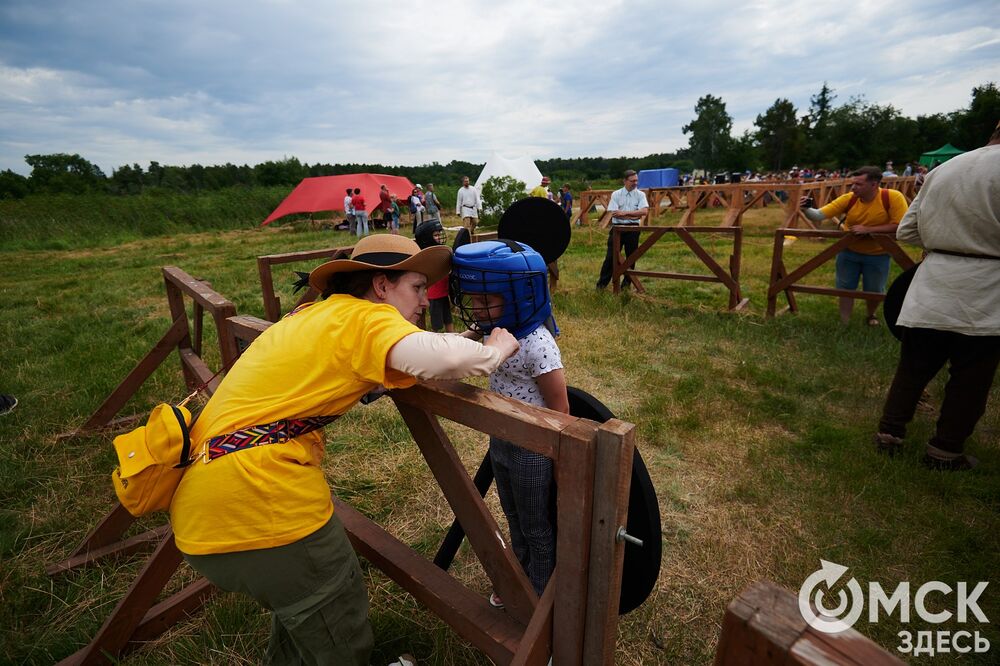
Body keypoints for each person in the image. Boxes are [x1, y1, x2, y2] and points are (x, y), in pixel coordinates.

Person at [169, 234, 520, 666]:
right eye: (415, 287)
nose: (425, 300)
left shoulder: (319, 315)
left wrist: (459, 338)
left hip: (205, 509)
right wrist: (495, 348)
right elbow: (446, 360)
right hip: (256, 507)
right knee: (335, 614)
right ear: (381, 287)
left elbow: (404, 356)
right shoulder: (365, 320)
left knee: (306, 615)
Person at [874, 121, 1000, 471]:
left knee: (913, 367)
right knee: (971, 376)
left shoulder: (946, 169)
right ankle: (945, 451)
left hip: (934, 281)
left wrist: (947, 242)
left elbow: (907, 230)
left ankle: (890, 433)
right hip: (987, 287)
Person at [451, 239, 569, 605]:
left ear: (522, 295)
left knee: (536, 524)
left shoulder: (538, 343)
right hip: (500, 440)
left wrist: (559, 458)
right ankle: (519, 573)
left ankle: (537, 592)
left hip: (533, 449)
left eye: (486, 301)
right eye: (474, 299)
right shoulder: (492, 329)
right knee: (512, 512)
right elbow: (455, 349)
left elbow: (560, 407)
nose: (477, 309)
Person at [799, 166, 907, 325]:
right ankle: (844, 321)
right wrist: (807, 208)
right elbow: (819, 215)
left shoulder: (892, 197)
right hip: (848, 251)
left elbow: (901, 225)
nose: (853, 187)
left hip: (879, 254)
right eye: (853, 183)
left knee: (874, 290)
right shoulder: (849, 198)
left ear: (874, 184)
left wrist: (869, 230)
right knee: (844, 287)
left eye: (859, 184)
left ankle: (871, 315)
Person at [595, 169, 648, 290]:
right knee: (610, 258)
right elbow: (614, 213)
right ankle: (601, 286)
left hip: (633, 229)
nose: (635, 183)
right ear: (625, 181)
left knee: (631, 258)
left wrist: (624, 213)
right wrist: (635, 214)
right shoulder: (616, 194)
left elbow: (644, 212)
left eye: (636, 180)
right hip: (617, 228)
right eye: (632, 181)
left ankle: (626, 286)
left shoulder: (640, 195)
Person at [415, 219, 453, 332]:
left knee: (448, 319)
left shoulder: (441, 251)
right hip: (434, 296)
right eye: (435, 235)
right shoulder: (427, 256)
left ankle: (454, 338)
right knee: (437, 324)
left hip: (444, 293)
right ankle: (436, 340)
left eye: (439, 234)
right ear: (426, 237)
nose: (439, 237)